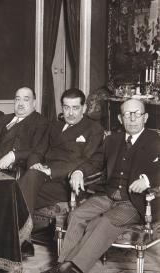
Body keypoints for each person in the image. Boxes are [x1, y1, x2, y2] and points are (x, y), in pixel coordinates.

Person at [43, 99, 160, 273]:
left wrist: (148, 181)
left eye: (137, 114)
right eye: (127, 114)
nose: (133, 118)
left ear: (146, 117)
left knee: (104, 221)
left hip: (134, 203)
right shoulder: (113, 140)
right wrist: (79, 172)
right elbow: (95, 161)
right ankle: (63, 265)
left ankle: (74, 269)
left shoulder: (154, 139)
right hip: (107, 195)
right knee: (77, 214)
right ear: (120, 119)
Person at [19, 88, 104, 216]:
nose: (70, 113)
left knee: (16, 194)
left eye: (75, 108)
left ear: (84, 108)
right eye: (66, 108)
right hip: (41, 176)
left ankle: (16, 233)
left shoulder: (93, 129)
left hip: (67, 182)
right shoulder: (55, 126)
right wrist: (34, 164)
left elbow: (86, 160)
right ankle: (19, 233)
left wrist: (51, 171)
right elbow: (38, 151)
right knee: (19, 190)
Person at [0, 87, 49, 171]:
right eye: (17, 99)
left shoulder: (41, 122)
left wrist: (13, 156)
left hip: (12, 172)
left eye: (26, 100)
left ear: (34, 103)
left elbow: (38, 150)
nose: (20, 103)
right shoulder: (4, 119)